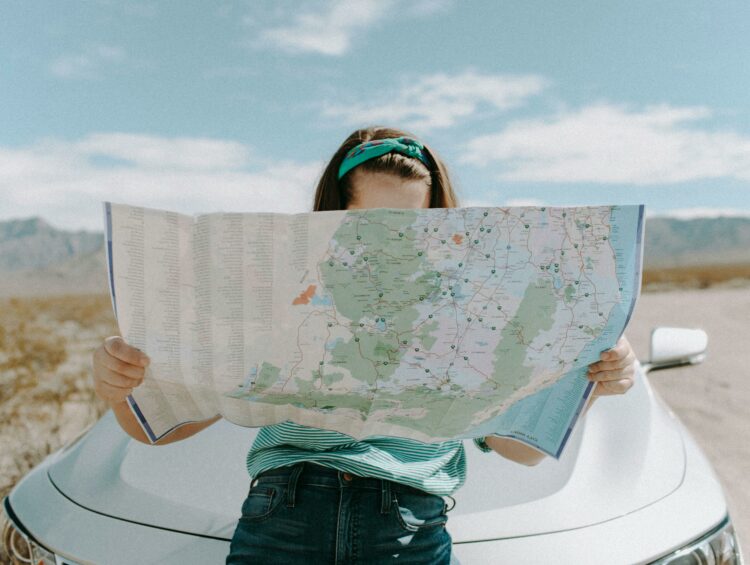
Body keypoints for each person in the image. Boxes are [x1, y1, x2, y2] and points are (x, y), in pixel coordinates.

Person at [92, 126, 637, 564]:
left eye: (410, 225)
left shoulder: (475, 305)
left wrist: (586, 383)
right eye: (370, 223)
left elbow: (519, 450)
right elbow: (161, 429)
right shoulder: (279, 291)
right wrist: (122, 386)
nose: (389, 241)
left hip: (409, 527)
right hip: (284, 514)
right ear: (332, 217)